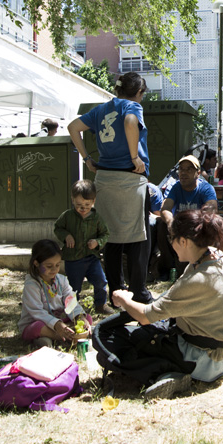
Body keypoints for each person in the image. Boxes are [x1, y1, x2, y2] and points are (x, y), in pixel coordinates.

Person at [112, 210, 223, 399]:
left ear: (183, 241)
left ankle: (174, 373)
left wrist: (124, 299)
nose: (170, 243)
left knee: (129, 338)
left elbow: (145, 316)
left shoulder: (198, 279)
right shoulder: (216, 255)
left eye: (171, 238)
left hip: (202, 361)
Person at [68, 71, 154, 304]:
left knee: (111, 237)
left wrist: (87, 159)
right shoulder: (132, 106)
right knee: (138, 237)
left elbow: (73, 127)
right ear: (138, 92)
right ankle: (139, 292)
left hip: (104, 178)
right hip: (130, 178)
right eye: (142, 94)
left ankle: (116, 291)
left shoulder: (100, 109)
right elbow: (129, 122)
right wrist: (135, 156)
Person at [18, 239, 92, 349]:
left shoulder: (62, 280)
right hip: (38, 323)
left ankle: (54, 338)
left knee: (87, 319)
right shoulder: (32, 284)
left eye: (57, 265)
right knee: (37, 328)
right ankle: (62, 337)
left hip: (59, 321)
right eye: (49, 266)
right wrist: (57, 325)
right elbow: (36, 311)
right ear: (36, 263)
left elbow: (71, 302)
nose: (54, 269)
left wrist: (79, 316)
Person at [154, 155, 219, 280]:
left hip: (197, 227)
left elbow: (212, 207)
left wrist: (195, 221)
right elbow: (166, 207)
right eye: (181, 169)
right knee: (161, 224)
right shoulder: (175, 187)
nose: (183, 172)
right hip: (178, 226)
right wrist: (170, 222)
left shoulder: (205, 188)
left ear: (198, 173)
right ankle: (166, 268)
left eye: (189, 169)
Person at [53, 180, 111, 314]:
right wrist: (66, 236)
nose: (83, 208)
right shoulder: (67, 216)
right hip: (73, 259)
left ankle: (100, 305)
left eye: (87, 205)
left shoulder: (97, 218)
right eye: (79, 205)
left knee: (101, 281)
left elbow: (105, 234)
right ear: (73, 200)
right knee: (74, 287)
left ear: (93, 201)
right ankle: (72, 309)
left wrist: (97, 242)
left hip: (92, 258)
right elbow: (58, 228)